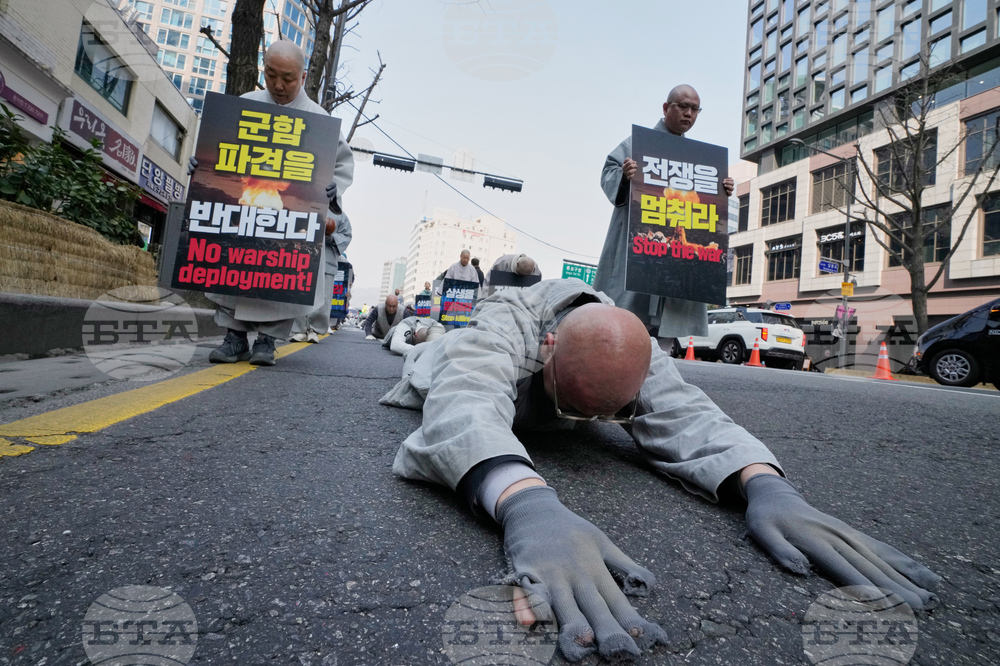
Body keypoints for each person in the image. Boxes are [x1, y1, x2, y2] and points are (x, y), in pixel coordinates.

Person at [380, 279, 940, 663]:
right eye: (578, 410)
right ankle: (416, 329)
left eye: (613, 416)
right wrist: (525, 501)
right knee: (425, 348)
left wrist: (766, 484)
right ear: (549, 350)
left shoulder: (633, 345)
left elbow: (688, 415)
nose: (593, 425)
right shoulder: (510, 326)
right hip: (450, 352)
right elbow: (467, 399)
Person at [205, 41, 354, 366]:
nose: (278, 85)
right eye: (271, 75)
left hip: (290, 214)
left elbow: (341, 165)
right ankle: (234, 337)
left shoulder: (318, 119)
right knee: (236, 266)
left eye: (287, 78)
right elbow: (217, 151)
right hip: (245, 208)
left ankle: (268, 340)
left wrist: (331, 191)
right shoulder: (245, 105)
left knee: (281, 272)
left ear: (302, 76)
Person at [594, 84, 733, 350]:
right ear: (666, 107)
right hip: (642, 245)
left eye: (695, 109)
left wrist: (721, 191)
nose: (688, 114)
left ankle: (655, 385)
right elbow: (609, 171)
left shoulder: (700, 159)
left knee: (666, 338)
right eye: (683, 106)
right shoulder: (638, 144)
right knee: (626, 327)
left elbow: (706, 207)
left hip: (676, 255)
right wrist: (625, 175)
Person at [291, 213, 353, 343]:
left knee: (323, 298)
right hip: (304, 259)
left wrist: (331, 237)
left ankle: (314, 329)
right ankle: (300, 330)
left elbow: (347, 235)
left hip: (327, 260)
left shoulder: (340, 215)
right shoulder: (308, 207)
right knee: (300, 296)